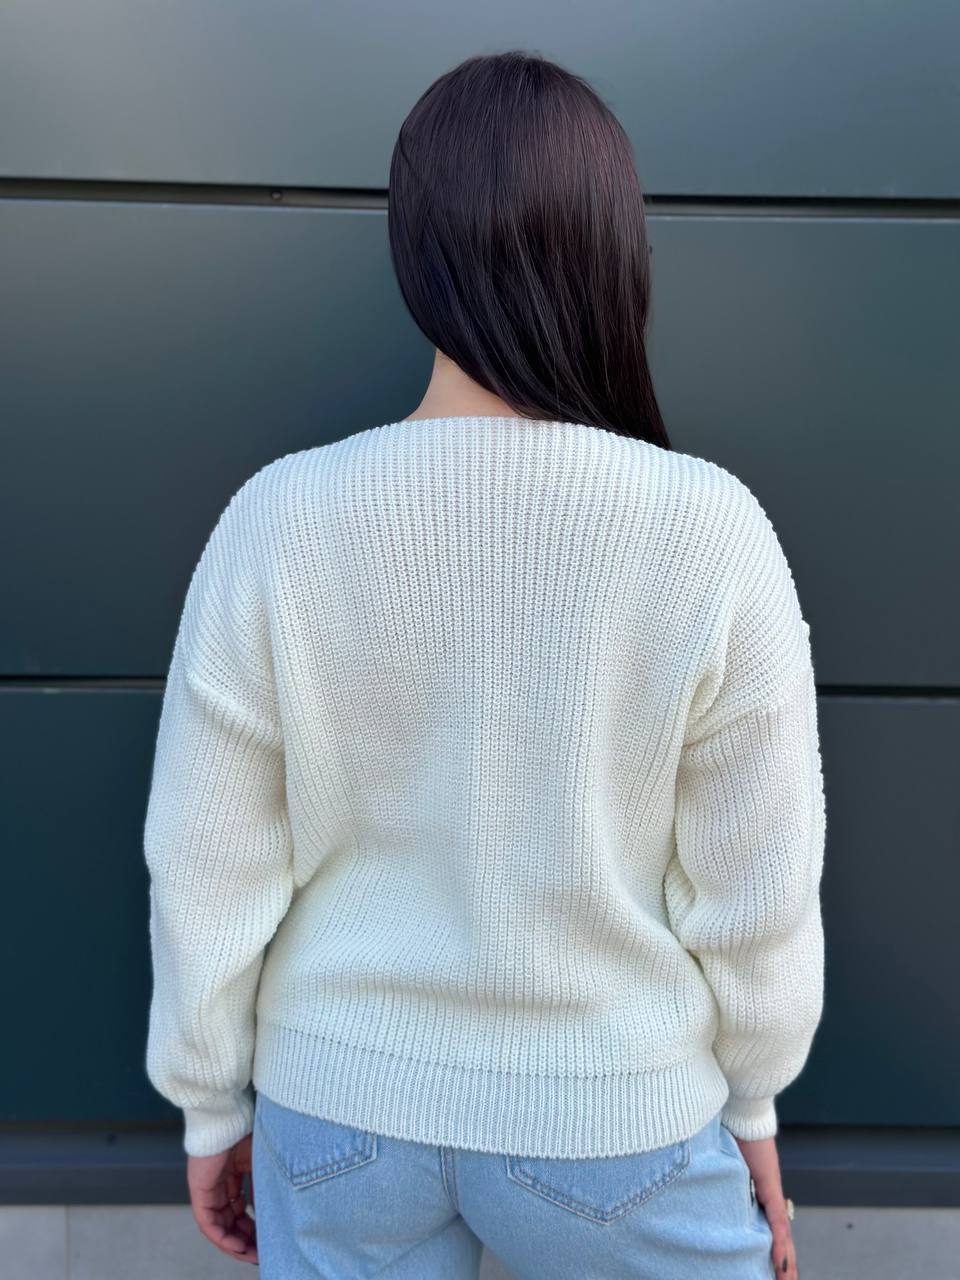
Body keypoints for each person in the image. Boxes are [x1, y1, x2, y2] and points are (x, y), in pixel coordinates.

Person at [143, 49, 824, 1280]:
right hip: (615, 1116)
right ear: (615, 249)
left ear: (416, 254)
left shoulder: (278, 517)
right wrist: (755, 1102)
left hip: (337, 1113)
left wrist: (208, 1106)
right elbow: (757, 883)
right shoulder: (710, 527)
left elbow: (206, 858)